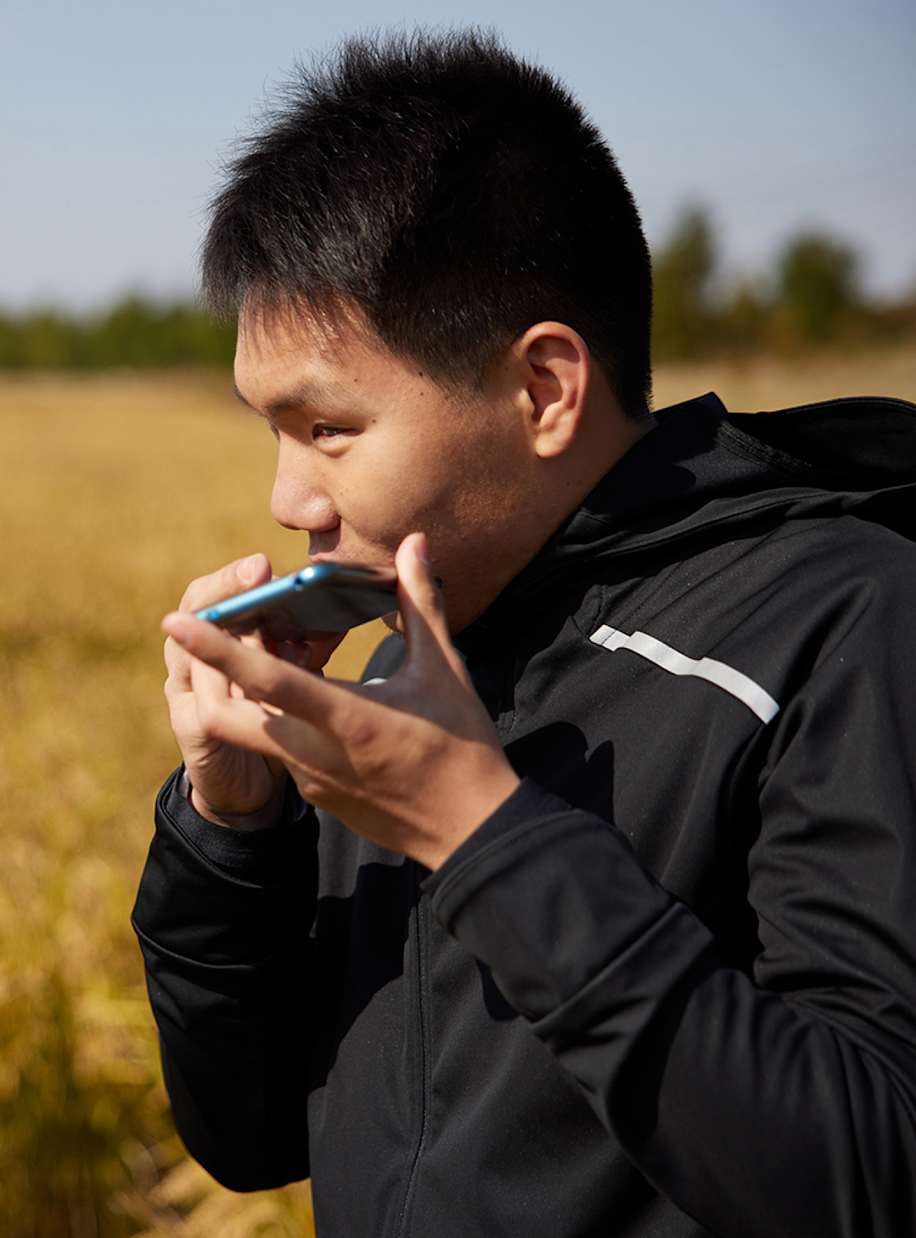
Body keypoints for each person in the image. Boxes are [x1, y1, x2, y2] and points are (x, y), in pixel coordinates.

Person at [132, 28, 916, 1237]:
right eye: (269, 432)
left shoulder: (849, 621)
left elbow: (871, 1175)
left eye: (327, 429)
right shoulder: (417, 646)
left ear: (544, 389)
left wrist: (477, 828)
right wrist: (231, 827)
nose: (289, 499)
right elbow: (251, 1134)